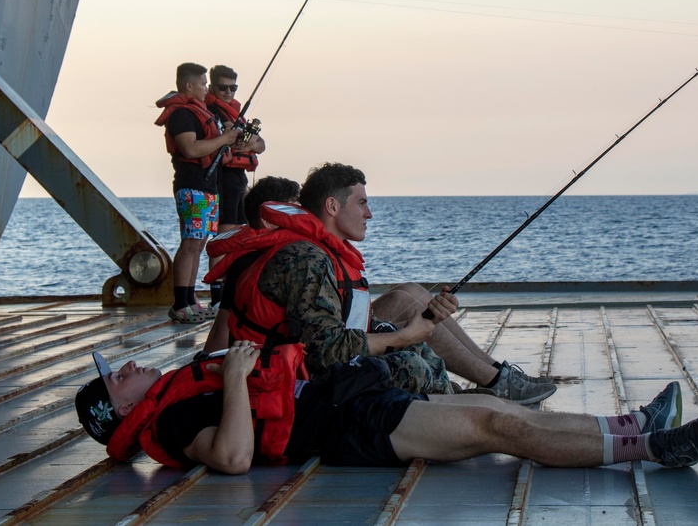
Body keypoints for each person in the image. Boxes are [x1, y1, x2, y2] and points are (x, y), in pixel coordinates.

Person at [203, 163, 555, 404]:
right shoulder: (304, 257)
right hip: (294, 376)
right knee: (410, 355)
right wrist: (402, 336)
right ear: (332, 206)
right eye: (362, 203)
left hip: (318, 353)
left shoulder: (319, 252)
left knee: (417, 324)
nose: (370, 213)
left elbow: (338, 322)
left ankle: (482, 387)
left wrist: (417, 329)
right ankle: (467, 402)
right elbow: (323, 348)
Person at [76, 342, 698, 474]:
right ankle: (656, 450)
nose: (127, 368)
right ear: (121, 412)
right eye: (116, 379)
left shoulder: (172, 393)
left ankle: (635, 424)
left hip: (351, 400)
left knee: (495, 402)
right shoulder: (170, 420)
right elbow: (235, 456)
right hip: (350, 428)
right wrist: (240, 379)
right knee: (497, 426)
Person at [154, 63, 241, 323]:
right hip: (192, 187)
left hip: (207, 187)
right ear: (189, 86)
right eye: (203, 84)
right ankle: (181, 303)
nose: (206, 88)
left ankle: (191, 299)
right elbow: (190, 149)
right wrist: (224, 140)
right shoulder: (182, 114)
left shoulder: (201, 112)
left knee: (200, 243)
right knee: (191, 243)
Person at [203, 176, 302, 353]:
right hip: (268, 363)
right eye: (295, 211)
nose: (304, 218)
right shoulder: (249, 264)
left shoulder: (244, 261)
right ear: (269, 220)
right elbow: (222, 328)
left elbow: (221, 325)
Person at [203, 65, 267, 309]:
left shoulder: (236, 114)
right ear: (211, 87)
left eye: (233, 88)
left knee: (237, 235)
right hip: (221, 179)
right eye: (223, 87)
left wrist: (248, 146)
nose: (228, 92)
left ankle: (231, 288)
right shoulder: (209, 112)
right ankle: (218, 296)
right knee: (225, 236)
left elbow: (261, 144)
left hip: (238, 179)